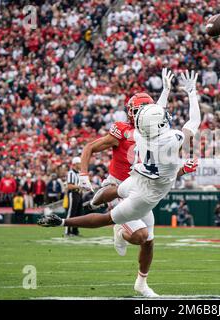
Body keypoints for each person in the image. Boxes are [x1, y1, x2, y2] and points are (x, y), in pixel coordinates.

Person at [38, 69, 201, 298]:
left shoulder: (139, 135)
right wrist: (189, 93)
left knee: (145, 235)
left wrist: (166, 92)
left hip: (135, 180)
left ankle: (140, 280)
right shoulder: (169, 138)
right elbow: (188, 121)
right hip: (141, 189)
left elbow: (153, 119)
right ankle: (101, 208)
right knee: (137, 232)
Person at [65, 157, 83, 237]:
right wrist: (79, 187)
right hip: (73, 194)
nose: (81, 165)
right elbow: (69, 186)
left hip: (79, 194)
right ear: (75, 164)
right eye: (79, 163)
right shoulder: (71, 173)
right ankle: (67, 231)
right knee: (71, 213)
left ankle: (75, 231)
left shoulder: (79, 173)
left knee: (78, 214)